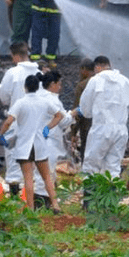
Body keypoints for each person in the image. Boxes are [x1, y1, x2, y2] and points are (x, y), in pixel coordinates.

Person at [0, 74, 63, 212]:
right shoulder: (44, 101)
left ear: (25, 87)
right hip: (40, 143)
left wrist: (1, 134)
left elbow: (9, 121)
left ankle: (30, 207)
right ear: (38, 86)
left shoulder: (21, 102)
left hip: (24, 145)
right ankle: (55, 205)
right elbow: (59, 115)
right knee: (47, 177)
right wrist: (48, 127)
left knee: (28, 178)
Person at [75, 56, 129, 179]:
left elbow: (85, 110)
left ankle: (90, 197)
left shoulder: (95, 81)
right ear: (109, 64)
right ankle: (110, 197)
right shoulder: (125, 81)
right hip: (121, 130)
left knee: (91, 167)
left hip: (100, 129)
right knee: (113, 168)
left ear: (97, 67)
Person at [0, 41, 40, 195]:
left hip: (16, 121)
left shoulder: (13, 73)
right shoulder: (39, 73)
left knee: (14, 159)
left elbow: (3, 96)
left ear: (16, 56)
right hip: (37, 123)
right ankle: (34, 198)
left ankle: (16, 197)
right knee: (35, 160)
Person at [33, 71, 73, 209]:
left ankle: (44, 203)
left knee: (39, 173)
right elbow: (63, 121)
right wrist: (73, 114)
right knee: (46, 173)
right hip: (49, 141)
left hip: (36, 139)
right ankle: (42, 205)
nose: (60, 87)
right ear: (52, 84)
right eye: (59, 84)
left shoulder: (36, 96)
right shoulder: (53, 99)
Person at [71, 58, 94, 162]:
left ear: (84, 69)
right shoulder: (104, 82)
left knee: (86, 152)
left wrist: (73, 132)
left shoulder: (83, 85)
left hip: (87, 124)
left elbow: (78, 110)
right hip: (105, 124)